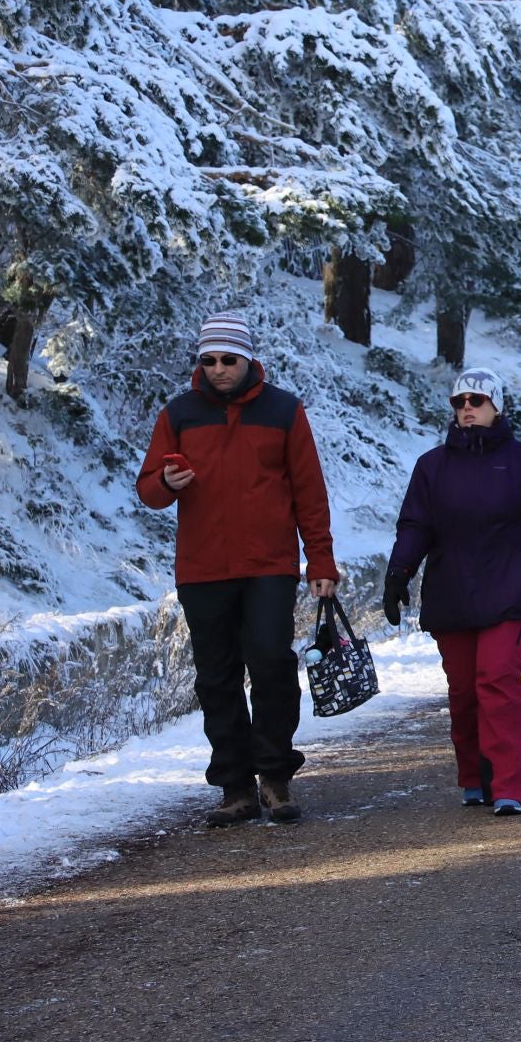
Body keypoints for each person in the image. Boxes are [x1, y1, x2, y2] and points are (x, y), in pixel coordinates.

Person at [135, 311, 339, 827]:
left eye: (230, 359)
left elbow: (309, 492)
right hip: (202, 568)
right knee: (216, 678)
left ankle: (275, 776)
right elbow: (148, 489)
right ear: (200, 362)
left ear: (249, 360)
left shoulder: (284, 411)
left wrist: (321, 560)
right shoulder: (178, 413)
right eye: (210, 360)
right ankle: (234, 786)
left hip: (268, 564)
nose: (220, 368)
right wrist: (168, 483)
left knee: (271, 663)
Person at [384, 369, 521, 814]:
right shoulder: (432, 467)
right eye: (459, 401)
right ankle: (475, 778)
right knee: (463, 692)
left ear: (497, 406)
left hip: (509, 588)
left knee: (498, 682)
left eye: (476, 400)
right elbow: (415, 527)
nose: (467, 408)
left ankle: (509, 787)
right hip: (452, 592)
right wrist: (397, 575)